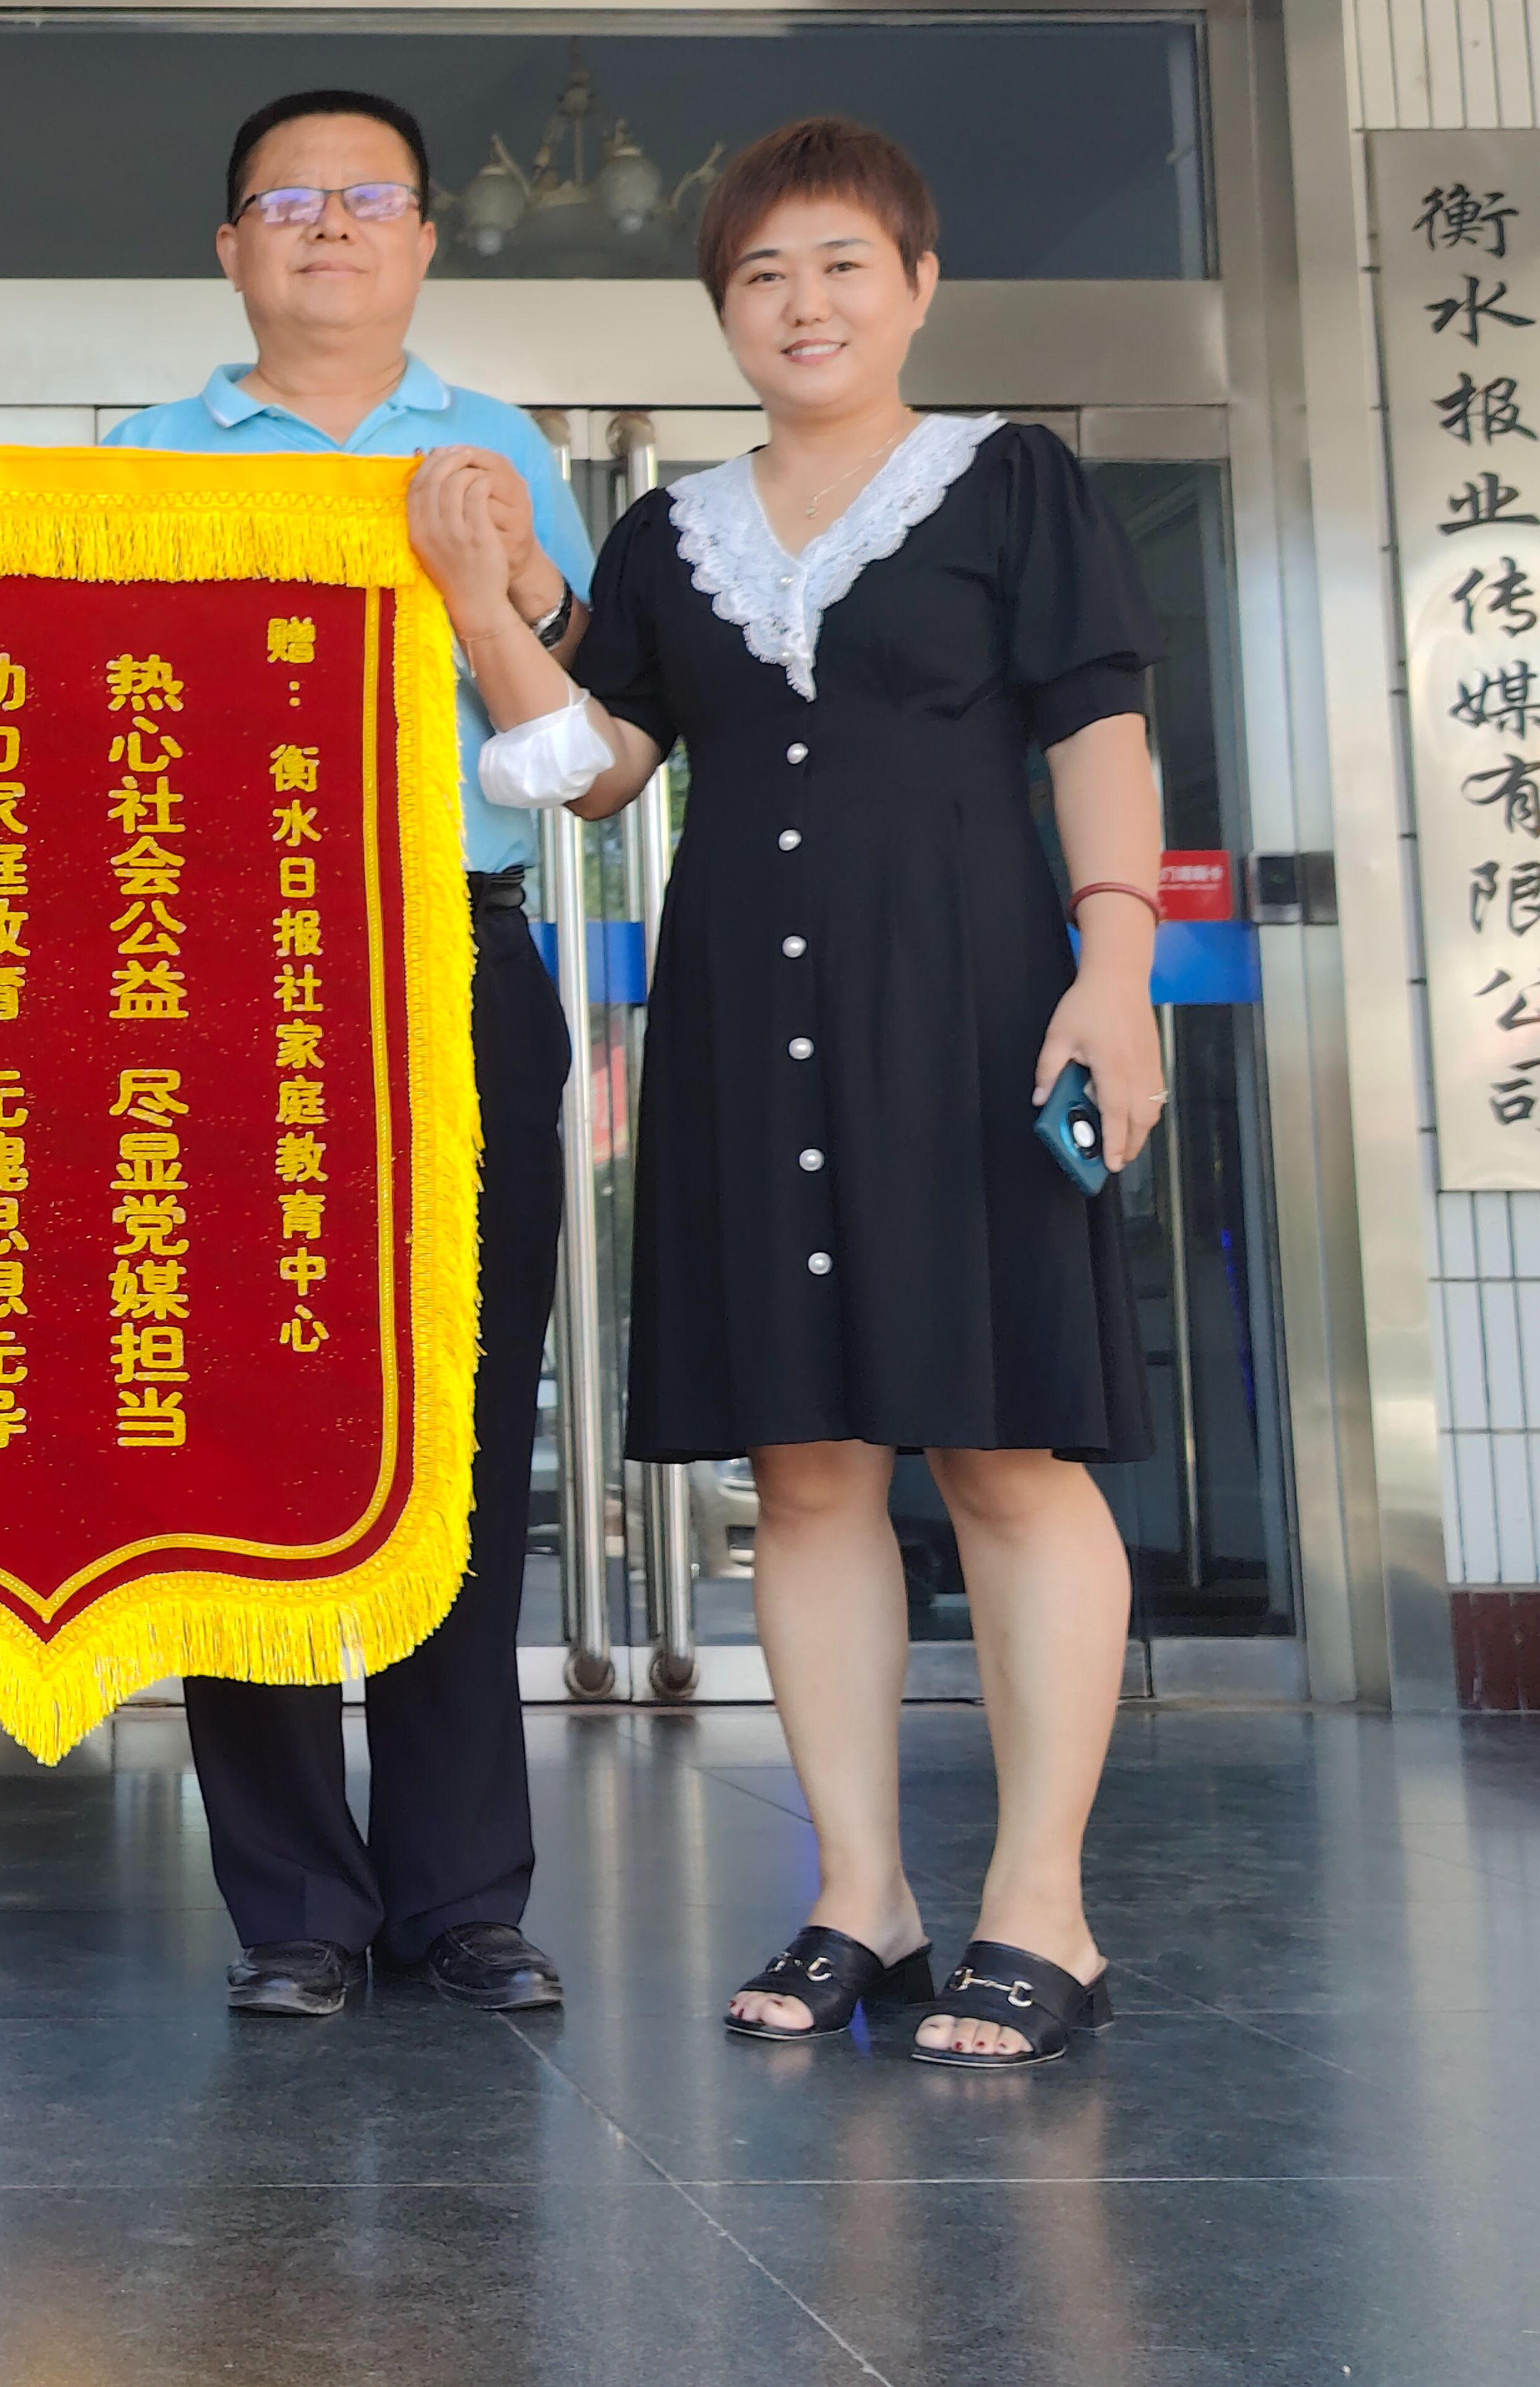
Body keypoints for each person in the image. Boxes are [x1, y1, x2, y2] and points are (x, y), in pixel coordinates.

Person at [446, 116, 1165, 2073]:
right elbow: (600, 766)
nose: (803, 303)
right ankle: (866, 1895)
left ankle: (1044, 1909)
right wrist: (494, 604)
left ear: (919, 284)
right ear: (724, 314)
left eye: (843, 262)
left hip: (975, 1011)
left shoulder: (1009, 481)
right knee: (809, 1467)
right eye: (761, 274)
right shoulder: (671, 535)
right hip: (746, 1029)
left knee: (1005, 1450)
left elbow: (1098, 722)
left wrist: (1115, 973)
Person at [99, 89, 588, 2020]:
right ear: (230, 247)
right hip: (216, 972)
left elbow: (576, 723)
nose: (327, 225)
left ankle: (465, 1896)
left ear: (426, 239)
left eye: (367, 197)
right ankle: (294, 1902)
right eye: (286, 201)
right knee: (246, 1427)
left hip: (448, 955)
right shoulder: (145, 458)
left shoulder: (498, 448)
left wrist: (510, 578)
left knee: (457, 1420)